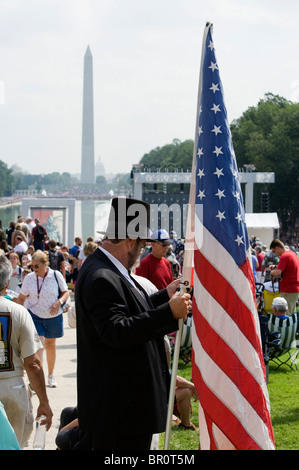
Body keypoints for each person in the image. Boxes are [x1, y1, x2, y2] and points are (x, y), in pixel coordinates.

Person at [75, 197, 191, 450]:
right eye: (141, 244)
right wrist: (168, 313)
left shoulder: (106, 269)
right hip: (120, 412)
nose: (142, 251)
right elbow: (116, 330)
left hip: (124, 409)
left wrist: (164, 297)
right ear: (130, 241)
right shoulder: (101, 276)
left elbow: (128, 308)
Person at [0, 254, 52, 448]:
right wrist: (44, 401)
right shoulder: (19, 312)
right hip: (13, 388)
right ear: (7, 282)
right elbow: (33, 363)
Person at [14, 250, 69, 388]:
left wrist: (59, 302)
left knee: (50, 345)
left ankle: (51, 375)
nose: (34, 269)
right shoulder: (30, 278)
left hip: (53, 316)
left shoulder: (55, 275)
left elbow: (66, 292)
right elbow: (21, 298)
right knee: (39, 346)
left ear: (45, 264)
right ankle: (37, 378)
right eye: (32, 266)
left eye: (37, 266)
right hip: (35, 315)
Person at [269, 238, 299, 315]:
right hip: (294, 288)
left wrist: (271, 272)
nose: (275, 253)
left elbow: (277, 273)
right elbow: (287, 268)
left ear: (278, 248)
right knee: (291, 313)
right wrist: (276, 266)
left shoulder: (284, 256)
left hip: (288, 289)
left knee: (285, 314)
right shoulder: (292, 253)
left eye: (274, 251)